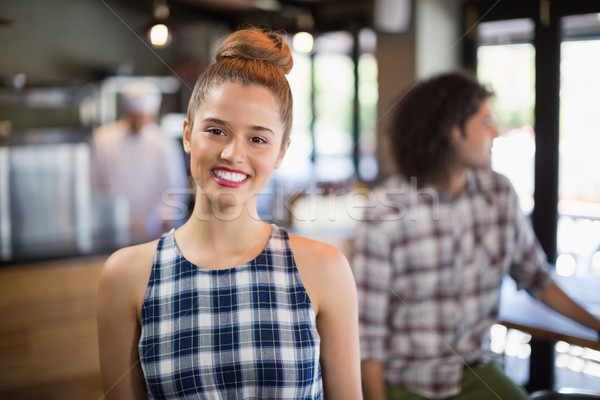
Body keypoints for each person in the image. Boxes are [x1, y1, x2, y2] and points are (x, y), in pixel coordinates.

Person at [96, 27, 361, 399]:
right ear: (188, 134)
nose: (233, 154)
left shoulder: (326, 270)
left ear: (281, 151)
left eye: (257, 139)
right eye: (216, 130)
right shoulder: (125, 277)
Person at [352, 71, 600, 400]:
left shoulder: (499, 193)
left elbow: (537, 279)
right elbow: (366, 336)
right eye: (486, 123)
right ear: (452, 133)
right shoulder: (387, 210)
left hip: (475, 372)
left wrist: (596, 326)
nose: (496, 132)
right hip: (406, 382)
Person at [91, 80, 189, 244]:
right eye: (134, 117)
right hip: (111, 229)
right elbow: (94, 184)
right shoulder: (103, 139)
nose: (139, 124)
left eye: (143, 118)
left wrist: (162, 218)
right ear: (126, 113)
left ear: (153, 115)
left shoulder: (165, 144)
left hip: (153, 231)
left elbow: (175, 189)